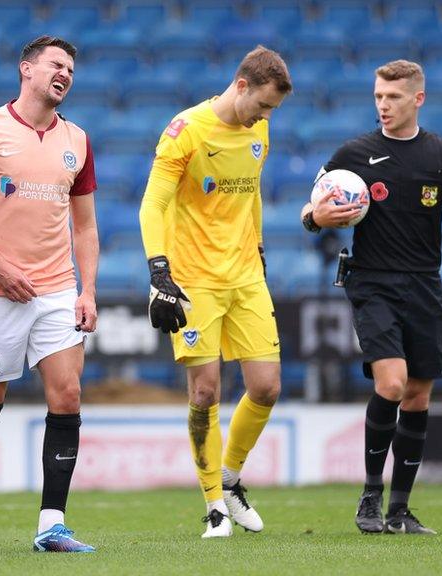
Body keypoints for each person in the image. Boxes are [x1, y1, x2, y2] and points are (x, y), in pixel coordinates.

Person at [300, 60, 442, 535]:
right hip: (372, 281)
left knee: (419, 395)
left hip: (424, 284)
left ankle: (400, 510)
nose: (383, 105)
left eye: (393, 97)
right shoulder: (353, 153)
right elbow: (309, 207)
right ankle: (369, 496)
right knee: (392, 384)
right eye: (379, 96)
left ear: (417, 99)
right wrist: (317, 219)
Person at [0, 35, 99, 553]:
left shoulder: (77, 139)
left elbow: (85, 227)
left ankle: (51, 525)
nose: (66, 75)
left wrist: (88, 290)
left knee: (68, 394)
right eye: (57, 65)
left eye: (71, 70)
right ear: (26, 69)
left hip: (56, 289)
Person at [138, 46, 293, 538]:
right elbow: (152, 204)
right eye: (263, 106)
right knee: (205, 392)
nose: (265, 118)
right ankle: (213, 508)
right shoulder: (185, 130)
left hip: (246, 275)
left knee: (267, 387)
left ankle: (229, 480)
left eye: (272, 111)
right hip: (195, 280)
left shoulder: (258, 129)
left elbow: (252, 193)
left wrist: (261, 246)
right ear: (241, 85)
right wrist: (159, 272)